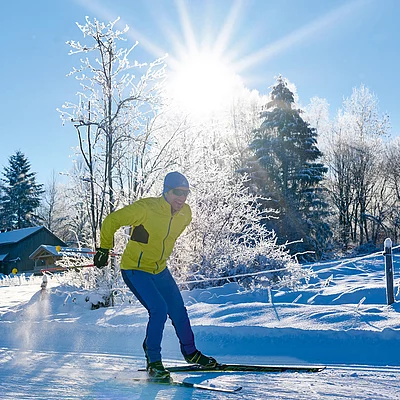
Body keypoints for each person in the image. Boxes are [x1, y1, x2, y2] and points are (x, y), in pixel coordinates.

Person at [93, 171, 217, 380]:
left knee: (178, 309)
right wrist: (104, 249)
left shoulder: (185, 214)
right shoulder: (147, 208)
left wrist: (144, 236)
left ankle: (191, 353)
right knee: (159, 309)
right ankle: (154, 361)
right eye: (178, 192)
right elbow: (112, 220)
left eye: (186, 193)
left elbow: (162, 236)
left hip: (159, 269)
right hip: (135, 269)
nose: (182, 197)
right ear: (166, 191)